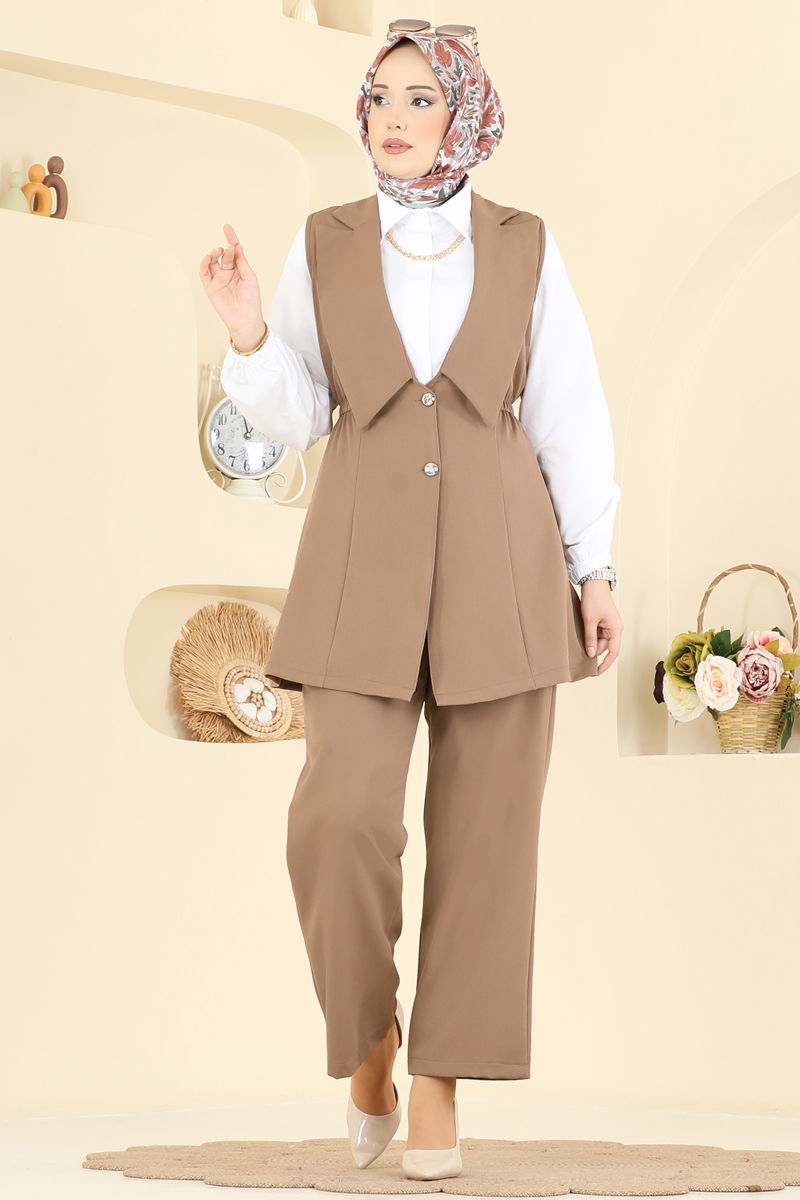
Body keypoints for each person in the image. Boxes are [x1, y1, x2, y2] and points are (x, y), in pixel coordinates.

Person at [199, 19, 623, 1182]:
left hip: (506, 568)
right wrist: (246, 326)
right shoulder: (325, 241)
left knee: (488, 841)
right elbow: (297, 409)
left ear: (464, 114)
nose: (392, 116)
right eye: (379, 95)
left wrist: (593, 568)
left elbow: (568, 414)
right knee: (336, 818)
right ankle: (371, 1042)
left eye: (419, 97)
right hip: (357, 565)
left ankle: (439, 1083)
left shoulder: (526, 246)